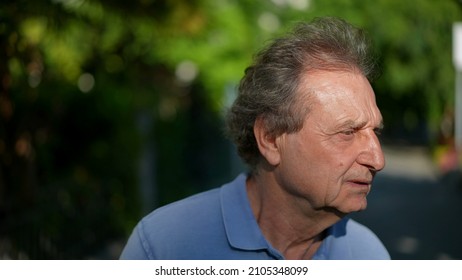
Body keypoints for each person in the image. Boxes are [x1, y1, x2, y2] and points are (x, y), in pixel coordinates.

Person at [120, 16, 390, 260]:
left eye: (374, 132)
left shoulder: (369, 256)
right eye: (347, 132)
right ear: (271, 138)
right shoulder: (164, 246)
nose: (377, 160)